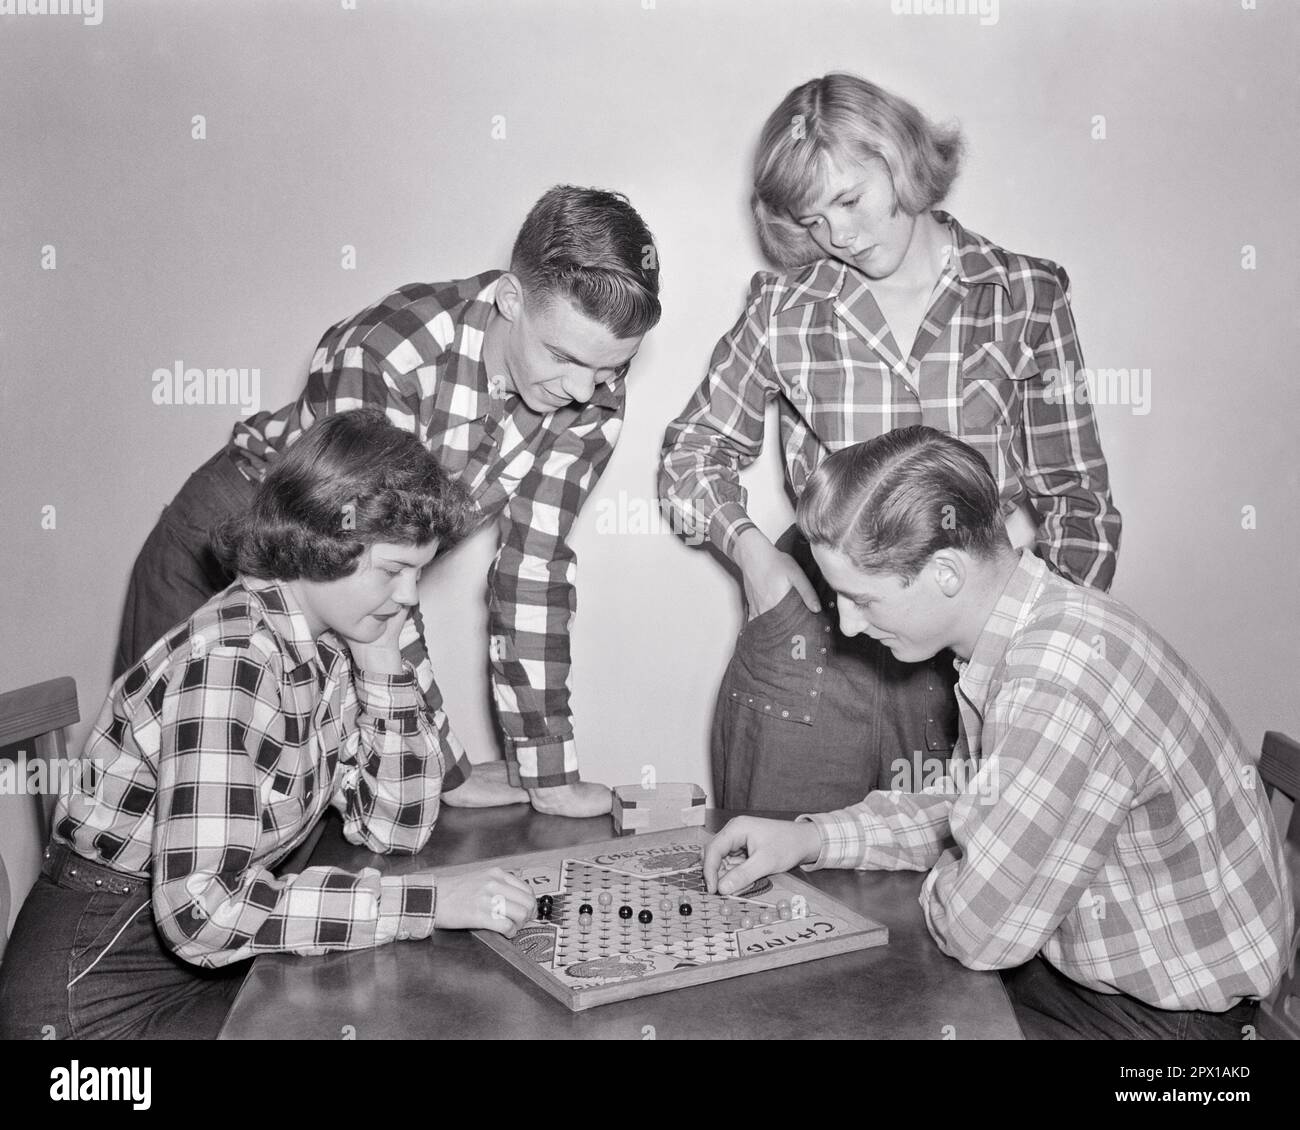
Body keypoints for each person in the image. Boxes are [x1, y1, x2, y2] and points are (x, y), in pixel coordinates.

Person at [702, 426, 1293, 1040]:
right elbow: (968, 809)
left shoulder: (1055, 675)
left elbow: (978, 930)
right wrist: (811, 838)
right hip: (1080, 974)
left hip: (1170, 1032)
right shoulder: (1026, 624)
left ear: (947, 573)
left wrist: (967, 869)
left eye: (863, 600)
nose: (847, 627)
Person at [114, 185, 661, 819]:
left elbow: (532, 573)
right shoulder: (386, 351)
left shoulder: (593, 392)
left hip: (348, 577)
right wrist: (447, 767)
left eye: (609, 368)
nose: (579, 390)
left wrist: (547, 770)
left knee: (292, 822)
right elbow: (372, 567)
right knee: (161, 804)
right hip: (227, 541)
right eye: (562, 356)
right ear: (511, 299)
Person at [660, 74, 1120, 813]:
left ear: (902, 159)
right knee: (777, 898)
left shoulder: (1024, 298)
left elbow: (1080, 503)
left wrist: (1038, 656)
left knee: (944, 903)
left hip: (963, 661)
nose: (837, 236)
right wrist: (755, 559)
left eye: (849, 200)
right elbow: (691, 458)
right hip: (812, 645)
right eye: (813, 220)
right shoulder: (785, 307)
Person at [0, 411, 537, 1039]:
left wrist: (384, 661)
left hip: (210, 968)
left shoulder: (329, 641)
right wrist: (428, 902)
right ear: (319, 543)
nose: (412, 595)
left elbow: (398, 827)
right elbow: (203, 912)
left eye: (419, 571)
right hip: (88, 1005)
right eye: (393, 571)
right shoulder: (231, 661)